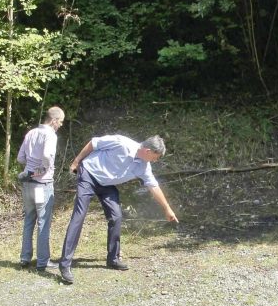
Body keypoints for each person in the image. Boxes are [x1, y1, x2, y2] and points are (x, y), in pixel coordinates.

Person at [58, 135, 178, 284]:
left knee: (116, 216)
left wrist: (167, 209)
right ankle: (65, 264)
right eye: (155, 157)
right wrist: (76, 162)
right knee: (79, 216)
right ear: (147, 151)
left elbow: (154, 186)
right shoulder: (121, 143)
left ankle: (113, 259)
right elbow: (94, 143)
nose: (155, 160)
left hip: (107, 184)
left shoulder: (143, 167)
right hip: (89, 174)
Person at [16, 106, 65, 271]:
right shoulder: (50, 134)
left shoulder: (31, 133)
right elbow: (46, 155)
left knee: (29, 220)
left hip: (27, 185)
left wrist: (31, 168)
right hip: (41, 186)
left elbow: (20, 157)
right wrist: (43, 168)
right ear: (54, 120)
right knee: (43, 222)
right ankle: (43, 261)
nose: (61, 125)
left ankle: (24, 258)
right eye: (60, 122)